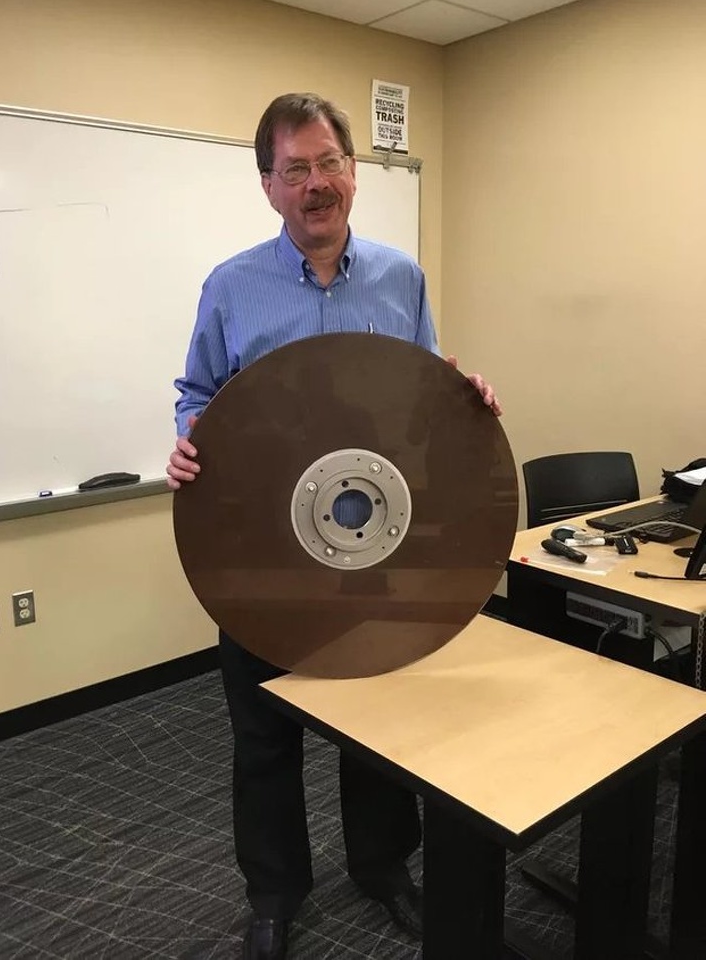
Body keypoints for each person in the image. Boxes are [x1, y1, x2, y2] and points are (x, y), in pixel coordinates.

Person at [167, 92, 502, 960]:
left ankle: (383, 868)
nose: (315, 184)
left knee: (379, 722)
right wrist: (191, 441)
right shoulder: (232, 286)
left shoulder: (401, 277)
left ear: (353, 171)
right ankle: (274, 894)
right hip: (263, 554)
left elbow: (422, 395)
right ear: (268, 185)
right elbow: (198, 394)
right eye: (295, 170)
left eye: (328, 164)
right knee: (264, 738)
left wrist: (465, 401)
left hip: (375, 549)